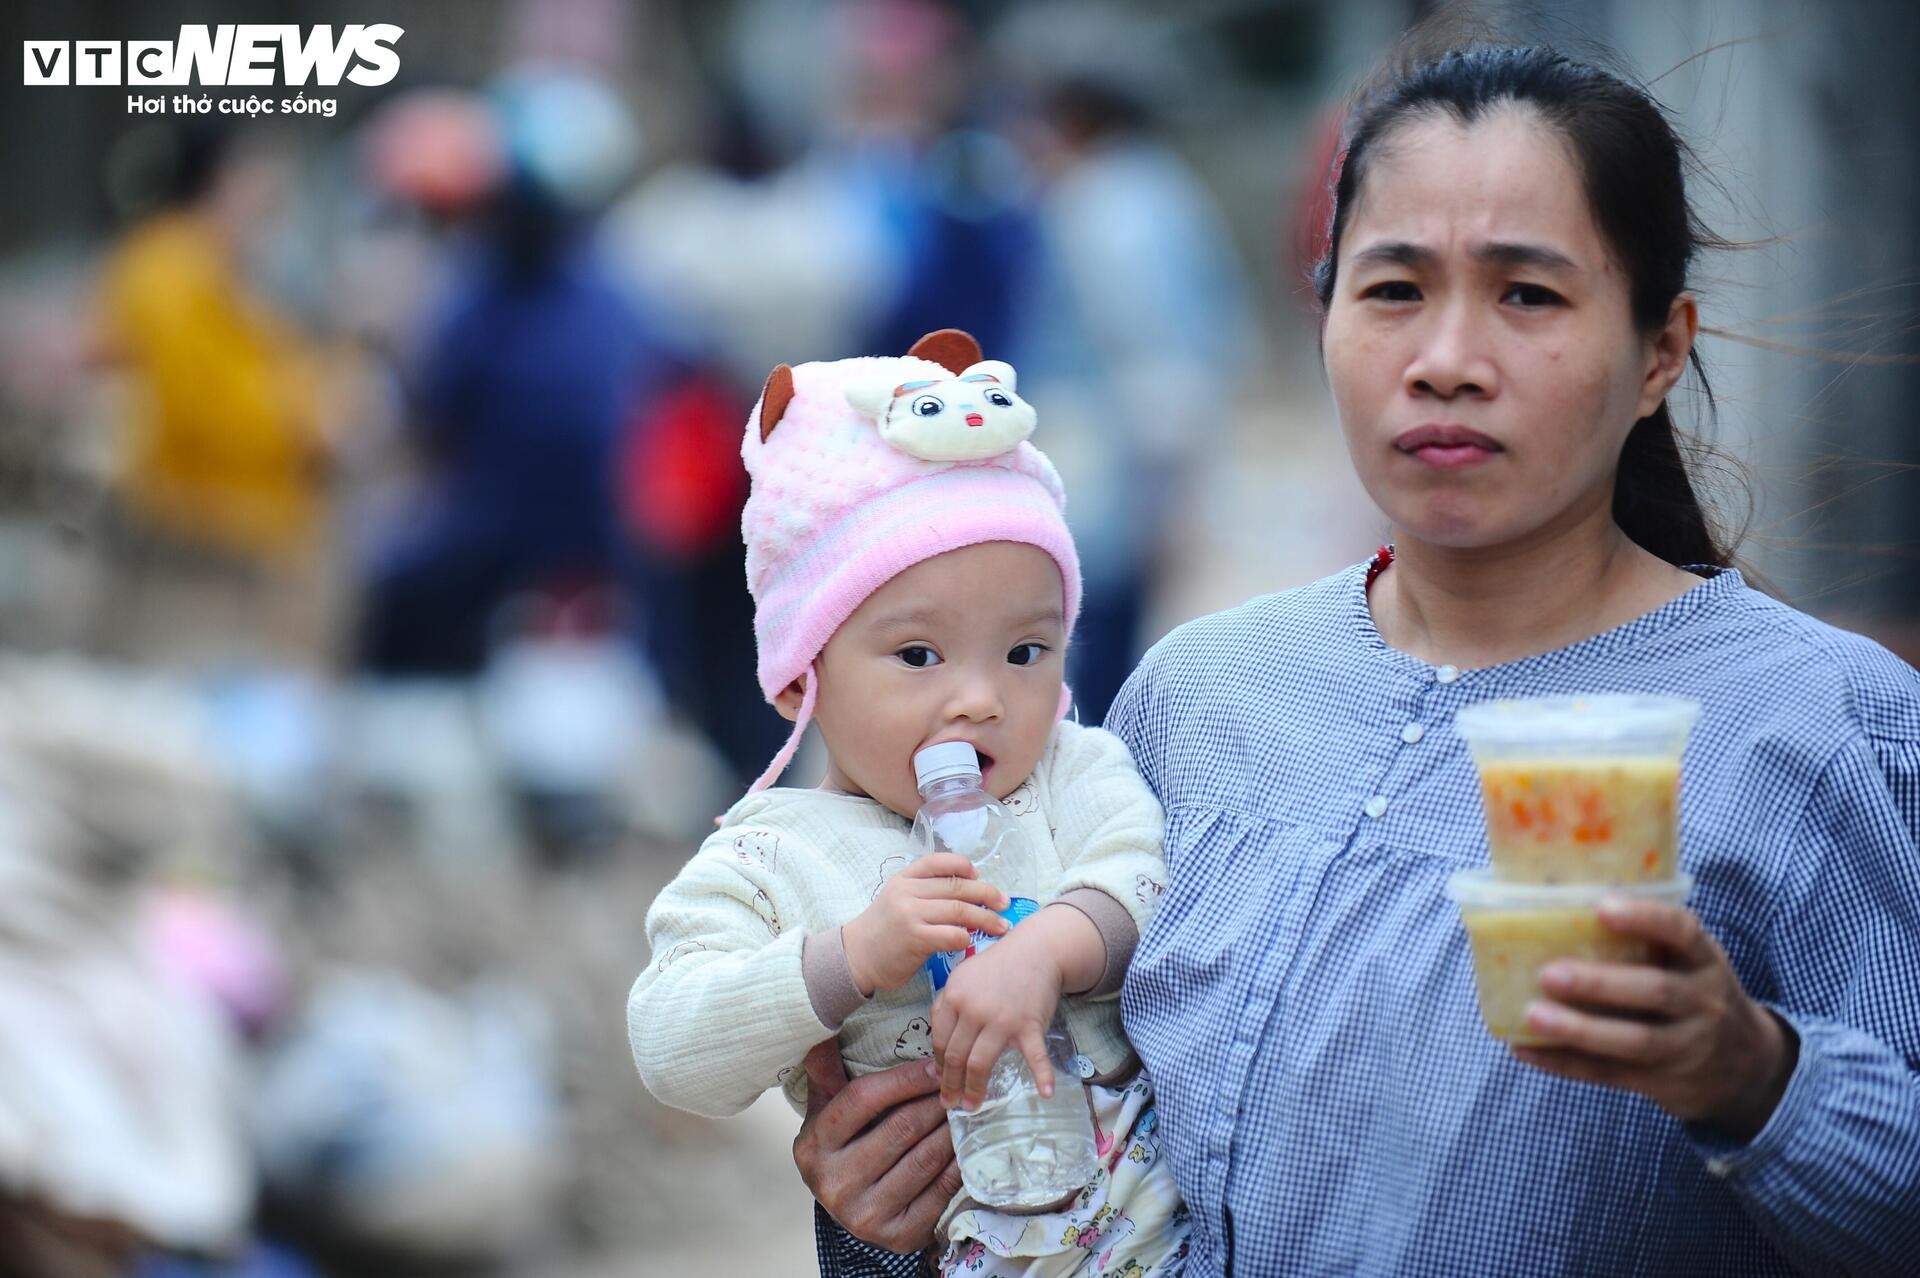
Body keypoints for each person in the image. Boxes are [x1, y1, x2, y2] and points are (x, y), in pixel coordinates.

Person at [800, 44, 1920, 1276]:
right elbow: (1066, 1161)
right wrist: (885, 1219)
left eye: (1528, 295)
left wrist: (1756, 1080)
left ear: (1661, 352)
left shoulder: (1825, 729)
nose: (1446, 359)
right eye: (1393, 289)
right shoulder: (1199, 695)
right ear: (1325, 319)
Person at [627, 329, 1189, 1276]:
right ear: (800, 681)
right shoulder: (772, 858)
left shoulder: (1071, 770)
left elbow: (1149, 876)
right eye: (919, 655)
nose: (980, 698)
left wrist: (1051, 948)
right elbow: (672, 1042)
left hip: (1168, 1237)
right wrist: (851, 957)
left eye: (1025, 651)